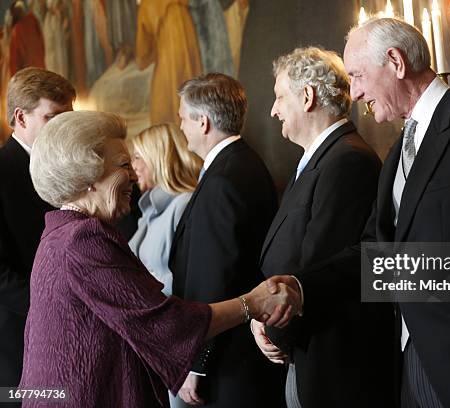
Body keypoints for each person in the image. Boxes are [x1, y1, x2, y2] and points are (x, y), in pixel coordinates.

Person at [271, 18, 450, 408]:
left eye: (357, 76)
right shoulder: (399, 149)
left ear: (395, 62)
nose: (353, 93)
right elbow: (377, 255)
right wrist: (300, 288)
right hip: (411, 369)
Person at [20, 110, 299, 408]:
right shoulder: (81, 239)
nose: (132, 175)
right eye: (124, 165)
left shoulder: (60, 233)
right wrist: (253, 303)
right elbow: (166, 323)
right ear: (87, 176)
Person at [251, 46, 394, 408]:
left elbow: (323, 263)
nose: (274, 109)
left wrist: (272, 327)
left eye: (280, 97)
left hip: (335, 362)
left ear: (307, 96)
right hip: (308, 350)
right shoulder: (323, 158)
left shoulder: (347, 160)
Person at [170, 73, 285, 407]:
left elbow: (214, 281)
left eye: (182, 119)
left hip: (228, 362)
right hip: (240, 352)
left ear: (203, 122)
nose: (181, 128)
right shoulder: (244, 163)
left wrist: (196, 364)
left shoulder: (223, 179)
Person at [0, 67, 74, 395]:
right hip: (17, 332)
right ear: (21, 117)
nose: (64, 127)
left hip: (68, 331)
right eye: (53, 117)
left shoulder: (69, 168)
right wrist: (50, 307)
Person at [129, 123, 202, 298]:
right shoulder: (149, 208)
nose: (133, 166)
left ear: (158, 157)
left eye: (138, 156)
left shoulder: (184, 204)